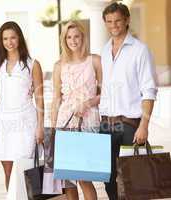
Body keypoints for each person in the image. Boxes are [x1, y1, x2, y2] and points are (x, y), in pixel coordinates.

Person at [99, 2, 157, 200]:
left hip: (130, 125)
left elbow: (149, 90)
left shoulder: (140, 50)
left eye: (117, 21)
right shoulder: (105, 51)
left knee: (134, 179)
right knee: (108, 178)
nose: (113, 25)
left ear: (126, 21)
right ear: (105, 23)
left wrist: (144, 125)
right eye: (109, 21)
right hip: (106, 124)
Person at [51, 21, 102, 200]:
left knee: (84, 177)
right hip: (65, 121)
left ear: (83, 37)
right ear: (64, 40)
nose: (73, 40)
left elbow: (106, 95)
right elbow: (56, 99)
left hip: (88, 121)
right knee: (67, 179)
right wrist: (53, 129)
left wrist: (88, 103)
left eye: (76, 36)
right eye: (69, 37)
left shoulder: (95, 60)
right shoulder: (59, 65)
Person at [0, 21, 44, 191]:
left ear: (20, 38)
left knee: (22, 170)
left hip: (25, 123)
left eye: (13, 37)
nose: (9, 42)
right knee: (8, 172)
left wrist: (40, 127)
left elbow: (39, 98)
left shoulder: (32, 64)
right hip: (3, 123)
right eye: (5, 38)